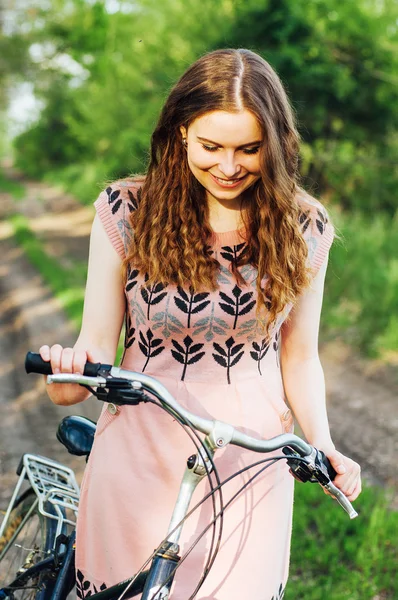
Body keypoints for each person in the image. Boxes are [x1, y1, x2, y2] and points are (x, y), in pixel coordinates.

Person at [39, 48, 361, 599]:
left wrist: (323, 441)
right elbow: (93, 349)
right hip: (140, 443)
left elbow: (300, 356)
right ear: (182, 132)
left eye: (249, 149)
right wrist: (69, 376)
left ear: (276, 144)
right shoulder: (126, 211)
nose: (229, 166)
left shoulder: (305, 226)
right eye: (212, 146)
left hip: (250, 456)